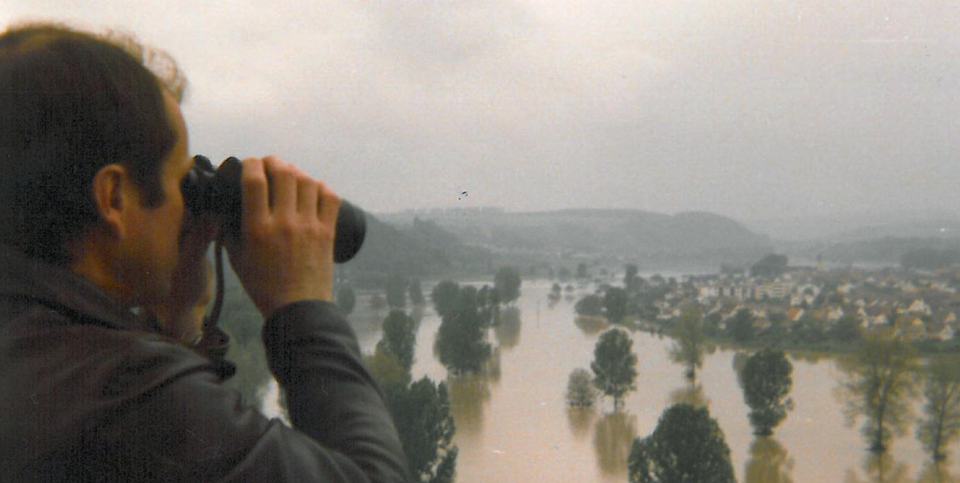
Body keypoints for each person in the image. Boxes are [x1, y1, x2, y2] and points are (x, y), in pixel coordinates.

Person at [0, 23, 410, 482]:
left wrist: (176, 324)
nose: (187, 206)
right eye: (182, 180)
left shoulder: (48, 358)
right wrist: (303, 307)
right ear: (114, 196)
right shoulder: (123, 392)